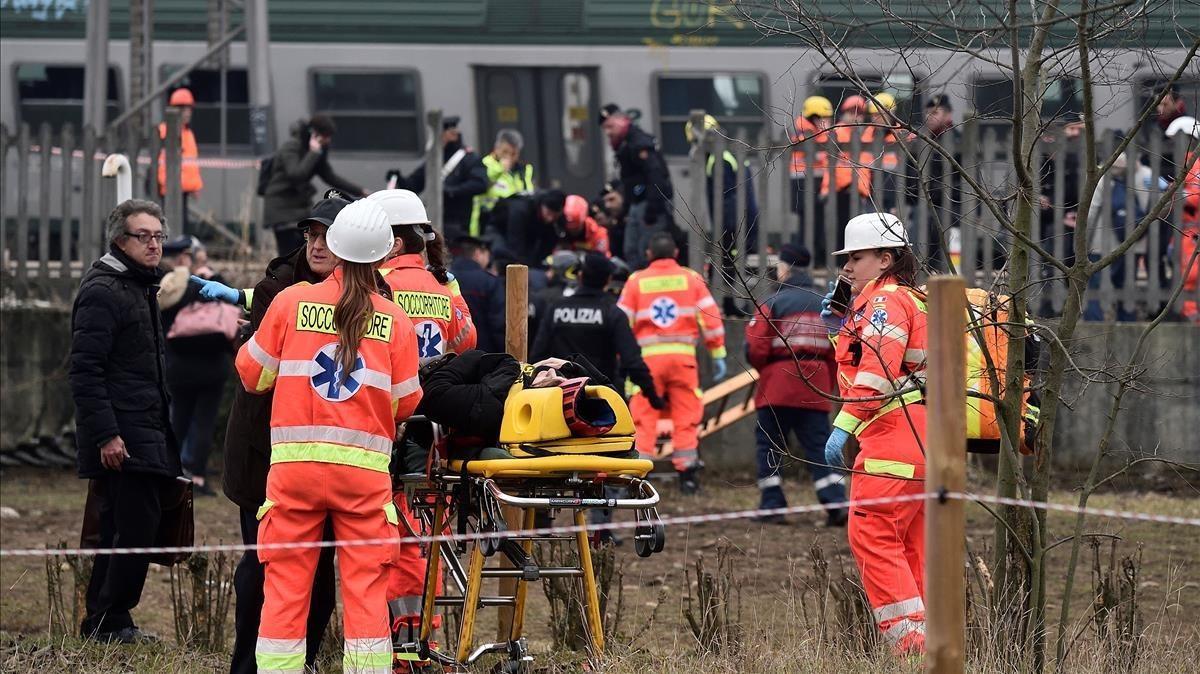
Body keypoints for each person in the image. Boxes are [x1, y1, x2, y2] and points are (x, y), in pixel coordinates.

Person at [235, 197, 422, 673]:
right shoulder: (395, 320)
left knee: (285, 589)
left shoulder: (291, 300)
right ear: (382, 257)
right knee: (365, 593)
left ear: (334, 249)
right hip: (363, 479)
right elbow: (406, 403)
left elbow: (253, 376)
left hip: (294, 475)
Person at [209, 196, 350, 674]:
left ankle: (304, 660)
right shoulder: (279, 289)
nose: (316, 243)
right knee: (262, 568)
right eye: (310, 234)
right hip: (265, 455)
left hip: (335, 460)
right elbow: (258, 374)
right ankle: (246, 664)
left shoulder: (371, 296)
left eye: (327, 234)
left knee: (320, 581)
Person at [70, 199, 179, 644]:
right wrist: (107, 434)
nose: (154, 245)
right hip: (124, 434)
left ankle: (107, 621)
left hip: (145, 427)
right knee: (134, 527)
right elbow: (84, 370)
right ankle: (110, 621)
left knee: (126, 527)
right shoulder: (104, 289)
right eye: (144, 236)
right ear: (120, 240)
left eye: (158, 236)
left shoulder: (137, 285)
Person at [822, 212, 928, 654]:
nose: (846, 267)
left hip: (890, 438)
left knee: (873, 533)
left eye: (856, 257)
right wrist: (842, 321)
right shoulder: (912, 298)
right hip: (922, 440)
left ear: (886, 259)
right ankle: (932, 645)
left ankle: (912, 647)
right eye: (845, 258)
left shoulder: (885, 303)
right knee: (911, 546)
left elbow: (879, 370)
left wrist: (843, 426)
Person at [744, 243, 847, 526]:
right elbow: (839, 346)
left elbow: (755, 347)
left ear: (786, 268)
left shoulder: (774, 302)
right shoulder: (824, 302)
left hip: (777, 385)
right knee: (819, 446)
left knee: (770, 445)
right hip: (815, 386)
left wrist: (766, 369)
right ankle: (836, 503)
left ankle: (773, 505)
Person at [617, 232, 725, 494]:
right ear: (676, 253)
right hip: (682, 360)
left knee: (643, 417)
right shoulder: (691, 278)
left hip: (647, 363)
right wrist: (717, 353)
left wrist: (622, 358)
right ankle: (688, 476)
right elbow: (710, 318)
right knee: (686, 416)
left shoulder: (636, 282)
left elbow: (621, 323)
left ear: (648, 255)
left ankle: (639, 478)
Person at [159, 236, 233, 496]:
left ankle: (169, 473)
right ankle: (198, 478)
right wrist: (214, 277)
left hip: (178, 367)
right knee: (203, 422)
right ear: (184, 257)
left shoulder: (164, 283)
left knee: (176, 420)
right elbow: (230, 304)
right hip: (212, 366)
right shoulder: (204, 282)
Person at [371, 188, 477, 363]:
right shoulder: (440, 287)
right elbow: (468, 341)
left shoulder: (371, 282)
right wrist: (454, 296)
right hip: (433, 386)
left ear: (395, 245)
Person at [685, 114, 760, 315]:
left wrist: (724, 230)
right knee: (733, 265)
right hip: (742, 221)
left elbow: (727, 200)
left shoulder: (719, 161)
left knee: (729, 265)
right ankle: (732, 305)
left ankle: (733, 307)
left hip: (734, 224)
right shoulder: (729, 155)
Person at [262, 115, 368, 255]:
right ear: (315, 134)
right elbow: (296, 175)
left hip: (299, 208)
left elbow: (330, 177)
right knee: (289, 256)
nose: (328, 140)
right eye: (326, 136)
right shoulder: (292, 147)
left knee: (303, 253)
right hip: (282, 209)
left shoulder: (317, 152)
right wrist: (313, 153)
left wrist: (360, 191)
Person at [599, 104, 676, 269]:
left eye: (610, 126)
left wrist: (652, 209)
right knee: (631, 251)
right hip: (636, 204)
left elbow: (656, 175)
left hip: (649, 205)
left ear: (622, 120)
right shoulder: (625, 144)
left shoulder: (639, 143)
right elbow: (629, 181)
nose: (608, 132)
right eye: (605, 128)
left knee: (645, 253)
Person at [392, 115, 488, 243]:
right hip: (436, 221)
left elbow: (480, 184)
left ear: (452, 134)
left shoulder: (469, 158)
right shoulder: (435, 159)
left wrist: (452, 191)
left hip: (458, 223)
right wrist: (399, 179)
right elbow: (414, 185)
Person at [821, 96, 875, 255]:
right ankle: (839, 261)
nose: (856, 116)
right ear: (844, 113)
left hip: (860, 190)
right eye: (852, 112)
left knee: (857, 230)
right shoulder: (837, 132)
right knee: (841, 229)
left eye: (859, 113)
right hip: (841, 189)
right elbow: (831, 164)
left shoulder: (865, 133)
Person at [473, 128, 536, 235]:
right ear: (496, 149)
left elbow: (529, 192)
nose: (509, 157)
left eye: (513, 154)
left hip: (514, 221)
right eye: (505, 152)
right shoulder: (484, 165)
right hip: (488, 221)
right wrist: (500, 169)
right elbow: (485, 183)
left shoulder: (523, 171)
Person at [450, 235, 506, 353]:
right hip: (484, 356)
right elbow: (498, 325)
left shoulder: (442, 279)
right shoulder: (489, 282)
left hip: (449, 356)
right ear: (477, 253)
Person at [157, 88, 203, 229]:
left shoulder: (188, 133)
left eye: (189, 108)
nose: (188, 112)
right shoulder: (165, 131)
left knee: (180, 227)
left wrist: (195, 186)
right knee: (171, 227)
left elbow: (191, 164)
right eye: (184, 109)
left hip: (182, 189)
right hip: (170, 189)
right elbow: (163, 163)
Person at [486, 188, 566, 267]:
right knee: (504, 256)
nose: (550, 219)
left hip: (526, 233)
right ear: (542, 206)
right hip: (500, 230)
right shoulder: (521, 209)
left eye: (554, 216)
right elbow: (515, 243)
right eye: (548, 213)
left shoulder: (557, 219)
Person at [791, 96, 833, 238]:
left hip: (809, 180)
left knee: (813, 220)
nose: (829, 121)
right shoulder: (805, 134)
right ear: (815, 118)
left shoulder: (807, 131)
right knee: (809, 221)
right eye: (825, 117)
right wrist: (826, 132)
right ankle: (808, 252)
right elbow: (820, 155)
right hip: (805, 181)